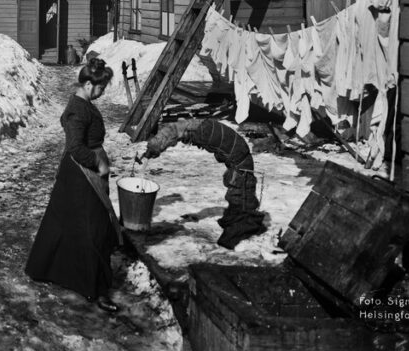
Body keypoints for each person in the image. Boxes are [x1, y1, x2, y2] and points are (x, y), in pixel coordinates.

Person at [25, 56, 120, 312]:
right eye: (100, 88)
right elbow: (75, 147)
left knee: (66, 224)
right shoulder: (78, 110)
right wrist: (97, 162)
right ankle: (96, 288)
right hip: (81, 175)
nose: (102, 92)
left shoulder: (82, 103)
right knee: (94, 229)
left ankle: (54, 269)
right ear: (89, 85)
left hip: (78, 173)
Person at [132, 118, 266, 249]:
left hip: (239, 156)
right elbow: (171, 134)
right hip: (237, 152)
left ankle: (241, 220)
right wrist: (153, 150)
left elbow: (170, 134)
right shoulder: (191, 128)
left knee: (240, 185)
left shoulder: (191, 129)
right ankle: (240, 215)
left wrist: (152, 150)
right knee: (240, 184)